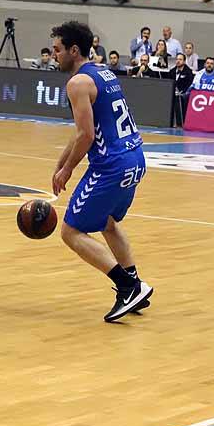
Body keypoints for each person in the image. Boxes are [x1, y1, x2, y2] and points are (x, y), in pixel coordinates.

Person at [49, 20, 152, 322]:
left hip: (111, 165)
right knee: (107, 222)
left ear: (74, 50)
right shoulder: (103, 72)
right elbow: (84, 130)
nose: (54, 55)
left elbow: (87, 136)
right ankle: (137, 286)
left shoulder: (77, 83)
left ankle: (128, 287)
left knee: (70, 231)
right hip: (135, 158)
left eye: (57, 50)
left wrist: (67, 169)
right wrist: (61, 162)